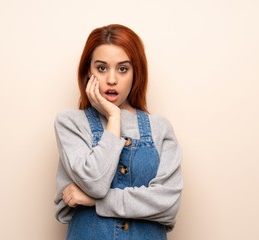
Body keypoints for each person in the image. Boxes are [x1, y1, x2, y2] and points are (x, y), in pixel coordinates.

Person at [54, 24, 183, 240]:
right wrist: (114, 118)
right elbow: (94, 183)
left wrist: (97, 202)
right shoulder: (70, 123)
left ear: (135, 72)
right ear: (88, 71)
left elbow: (168, 204)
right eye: (102, 68)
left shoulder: (160, 128)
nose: (112, 79)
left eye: (123, 69)